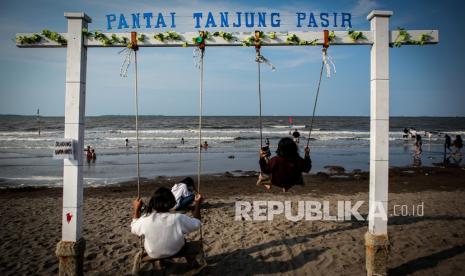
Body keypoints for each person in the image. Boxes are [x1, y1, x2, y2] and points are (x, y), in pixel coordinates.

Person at [131, 187, 203, 259]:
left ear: (153, 202)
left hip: (153, 253)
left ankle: (161, 260)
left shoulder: (145, 219)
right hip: (175, 250)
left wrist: (136, 209)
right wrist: (197, 204)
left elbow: (134, 228)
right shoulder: (178, 218)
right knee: (182, 239)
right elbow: (197, 223)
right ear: (172, 202)